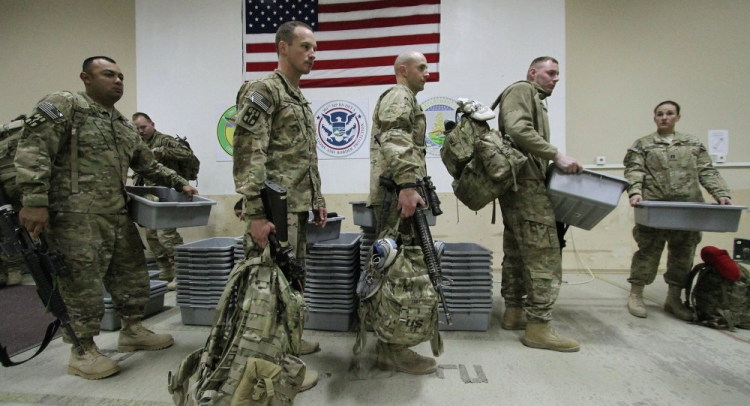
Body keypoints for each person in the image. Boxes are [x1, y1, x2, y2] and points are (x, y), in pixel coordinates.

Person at [14, 56, 198, 380]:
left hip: (116, 213)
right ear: (86, 78)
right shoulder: (66, 105)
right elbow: (34, 149)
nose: (117, 81)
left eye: (121, 76)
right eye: (108, 74)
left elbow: (148, 163)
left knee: (133, 277)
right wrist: (34, 201)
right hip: (74, 217)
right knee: (81, 285)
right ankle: (82, 350)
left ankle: (132, 330)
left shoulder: (123, 124)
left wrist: (179, 182)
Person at [233, 21, 326, 391]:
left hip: (296, 207)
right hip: (273, 210)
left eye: (314, 48)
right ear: (283, 48)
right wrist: (256, 212)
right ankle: (270, 368)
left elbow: (304, 157)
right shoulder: (264, 90)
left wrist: (317, 199)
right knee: (266, 288)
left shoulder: (298, 98)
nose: (312, 54)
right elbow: (248, 151)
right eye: (305, 46)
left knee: (291, 282)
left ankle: (286, 345)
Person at [494, 56, 582, 352]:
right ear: (533, 72)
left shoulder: (534, 98)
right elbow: (517, 129)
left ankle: (514, 312)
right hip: (526, 186)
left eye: (557, 74)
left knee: (517, 251)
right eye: (550, 73)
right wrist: (556, 155)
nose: (556, 78)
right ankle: (539, 327)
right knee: (545, 254)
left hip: (519, 185)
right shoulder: (522, 90)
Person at [363, 51, 440, 374]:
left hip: (399, 194)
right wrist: (408, 185)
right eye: (421, 67)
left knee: (395, 267)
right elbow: (394, 138)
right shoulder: (398, 95)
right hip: (397, 197)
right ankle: (392, 350)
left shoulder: (407, 98)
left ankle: (389, 345)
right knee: (399, 272)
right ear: (403, 70)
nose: (427, 72)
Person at [623, 101, 732, 320]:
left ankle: (673, 299)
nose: (664, 117)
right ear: (655, 118)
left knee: (683, 254)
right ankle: (636, 295)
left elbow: (707, 171)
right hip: (654, 209)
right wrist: (634, 192)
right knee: (648, 252)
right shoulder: (644, 145)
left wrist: (721, 194)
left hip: (687, 210)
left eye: (669, 113)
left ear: (677, 117)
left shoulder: (692, 143)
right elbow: (634, 170)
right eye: (660, 114)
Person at [131, 112, 194, 291]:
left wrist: (162, 152)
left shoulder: (164, 140)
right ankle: (165, 272)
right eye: (137, 129)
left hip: (167, 194)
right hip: (150, 196)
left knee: (167, 235)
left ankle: (183, 274)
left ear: (152, 124)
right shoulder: (139, 144)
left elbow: (187, 154)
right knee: (152, 236)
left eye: (144, 127)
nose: (141, 131)